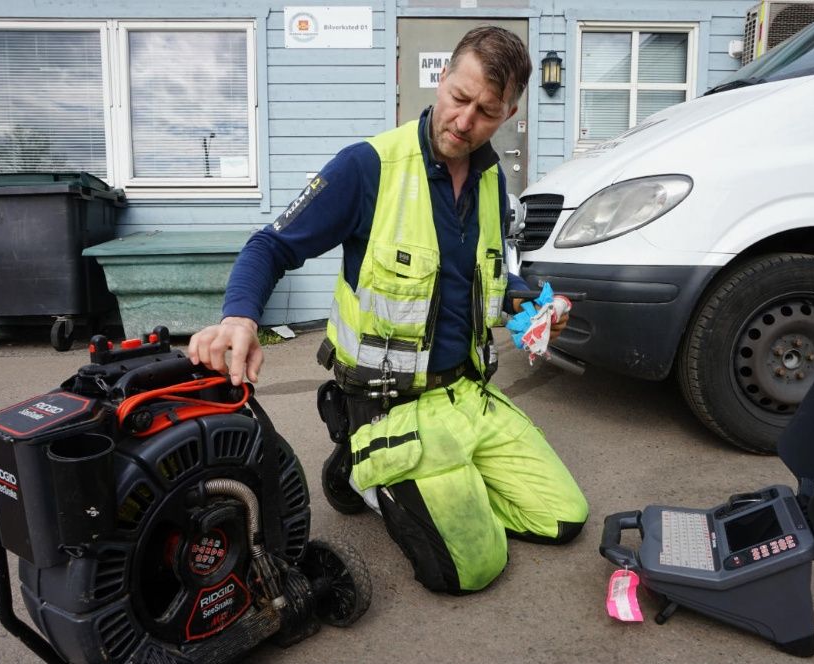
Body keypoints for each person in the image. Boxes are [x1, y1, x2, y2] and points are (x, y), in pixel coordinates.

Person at [189, 25, 588, 594]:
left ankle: (435, 484)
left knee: (563, 518)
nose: (464, 121)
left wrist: (536, 304)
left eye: (486, 111)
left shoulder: (493, 180)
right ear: (442, 79)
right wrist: (239, 318)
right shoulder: (367, 167)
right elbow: (270, 244)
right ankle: (364, 464)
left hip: (468, 397)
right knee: (470, 570)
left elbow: (484, 272)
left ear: (509, 112)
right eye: (459, 98)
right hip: (390, 405)